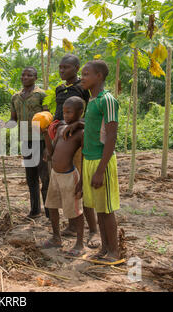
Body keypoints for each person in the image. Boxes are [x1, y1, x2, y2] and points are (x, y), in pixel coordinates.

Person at [53, 54, 100, 249]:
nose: (62, 71)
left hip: (78, 138)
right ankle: (72, 226)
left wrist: (78, 124)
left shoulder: (84, 87)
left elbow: (91, 114)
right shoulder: (59, 88)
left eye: (66, 68)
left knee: (81, 186)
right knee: (65, 186)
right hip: (62, 138)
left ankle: (93, 230)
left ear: (76, 68)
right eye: (60, 68)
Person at [79, 60, 121, 262]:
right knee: (99, 208)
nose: (82, 77)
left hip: (101, 161)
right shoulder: (92, 100)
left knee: (107, 209)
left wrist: (100, 169)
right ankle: (105, 248)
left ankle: (114, 251)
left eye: (86, 74)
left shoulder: (108, 100)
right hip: (89, 160)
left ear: (99, 77)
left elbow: (111, 136)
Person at [0, 67, 50, 218]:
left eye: (29, 75)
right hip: (26, 140)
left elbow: (48, 118)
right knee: (31, 177)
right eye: (23, 75)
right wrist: (4, 125)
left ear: (35, 77)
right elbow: (14, 120)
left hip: (40, 140)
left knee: (45, 177)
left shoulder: (41, 95)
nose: (25, 77)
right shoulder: (15, 97)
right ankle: (34, 211)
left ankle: (49, 212)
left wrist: (48, 145)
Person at [42, 96, 85, 256]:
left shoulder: (81, 132)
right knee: (52, 205)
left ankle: (80, 244)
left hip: (69, 176)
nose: (66, 116)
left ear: (80, 112)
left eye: (70, 112)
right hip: (55, 174)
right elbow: (52, 152)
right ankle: (56, 237)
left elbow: (84, 157)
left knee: (75, 211)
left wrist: (81, 182)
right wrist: (46, 134)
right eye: (64, 112)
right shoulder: (60, 128)